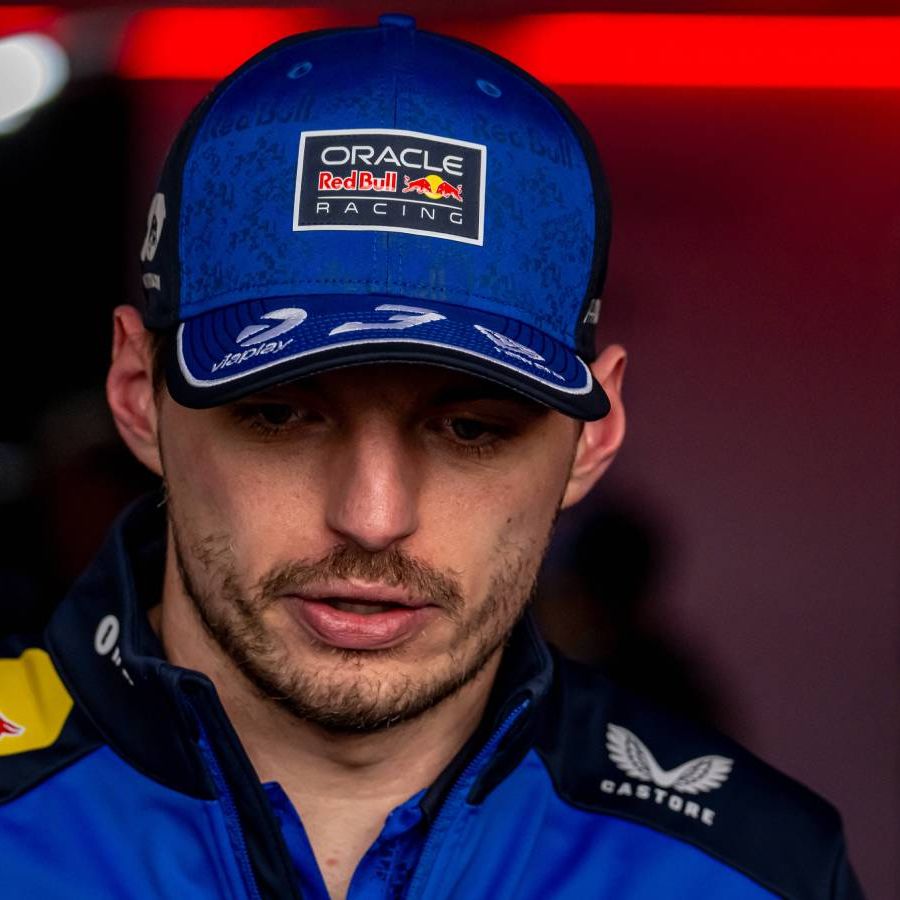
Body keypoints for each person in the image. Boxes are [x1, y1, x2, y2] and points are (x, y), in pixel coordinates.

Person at [0, 15, 862, 900]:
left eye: (472, 430)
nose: (373, 518)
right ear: (138, 394)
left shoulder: (757, 871)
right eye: (280, 414)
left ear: (594, 435)